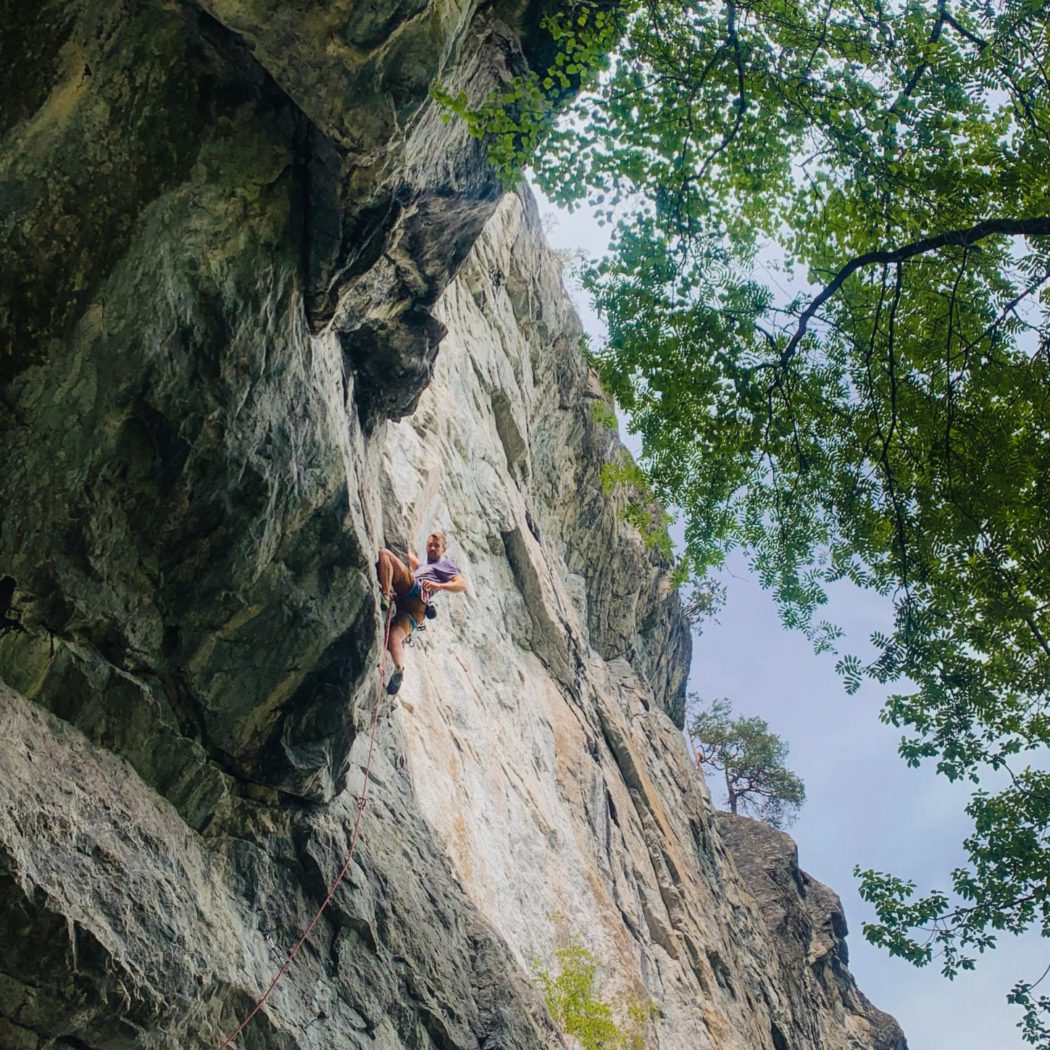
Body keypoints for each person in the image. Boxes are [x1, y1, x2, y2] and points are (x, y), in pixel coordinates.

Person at [375, 531, 466, 695]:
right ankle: (399, 669)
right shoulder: (424, 567)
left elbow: (461, 584)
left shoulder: (446, 566)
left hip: (415, 592)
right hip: (415, 613)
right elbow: (414, 561)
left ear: (444, 549)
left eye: (437, 546)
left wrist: (439, 586)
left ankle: (386, 595)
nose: (432, 548)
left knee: (384, 554)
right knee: (394, 637)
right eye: (430, 545)